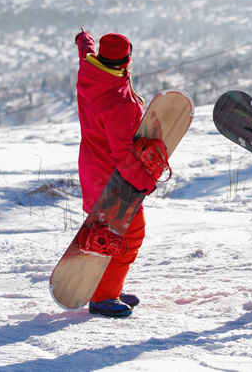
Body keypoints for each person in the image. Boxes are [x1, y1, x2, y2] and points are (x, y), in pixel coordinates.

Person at [75, 28, 158, 318]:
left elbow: (84, 51)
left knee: (109, 232)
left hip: (91, 167)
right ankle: (104, 297)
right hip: (114, 179)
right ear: (127, 59)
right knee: (129, 234)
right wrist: (145, 182)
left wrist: (83, 38)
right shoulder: (119, 103)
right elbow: (123, 152)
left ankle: (111, 286)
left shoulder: (89, 72)